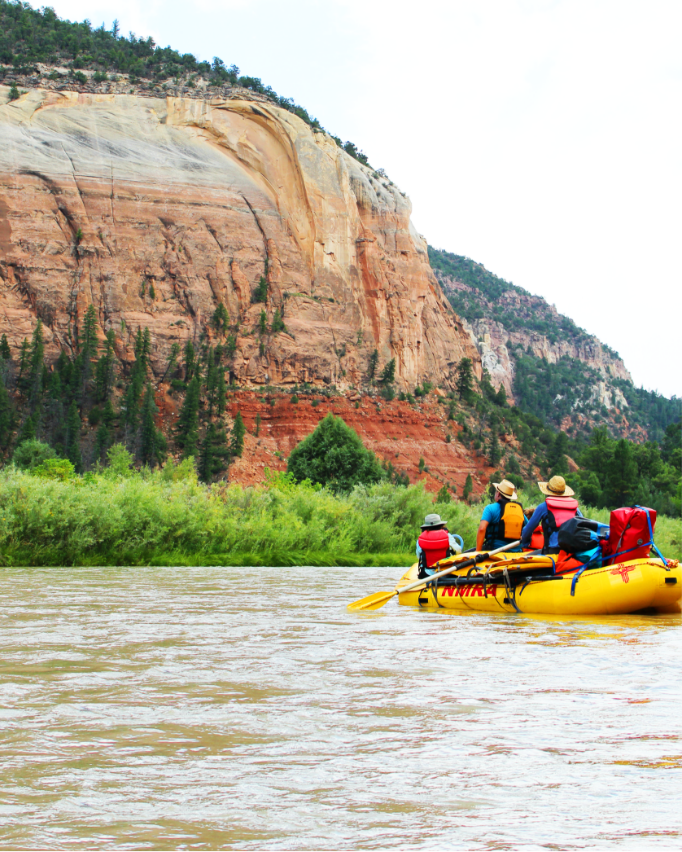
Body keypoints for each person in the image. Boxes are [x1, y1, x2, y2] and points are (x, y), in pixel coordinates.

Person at [521, 475, 582, 554]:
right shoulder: (575, 509)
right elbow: (582, 527)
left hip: (552, 552)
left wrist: (525, 543)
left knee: (526, 558)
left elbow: (528, 529)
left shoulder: (544, 507)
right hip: (572, 552)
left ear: (548, 492)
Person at [475, 479, 526, 552]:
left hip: (495, 551)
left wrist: (478, 552)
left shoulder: (490, 508)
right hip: (516, 553)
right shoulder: (518, 511)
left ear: (498, 494)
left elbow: (482, 529)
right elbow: (528, 529)